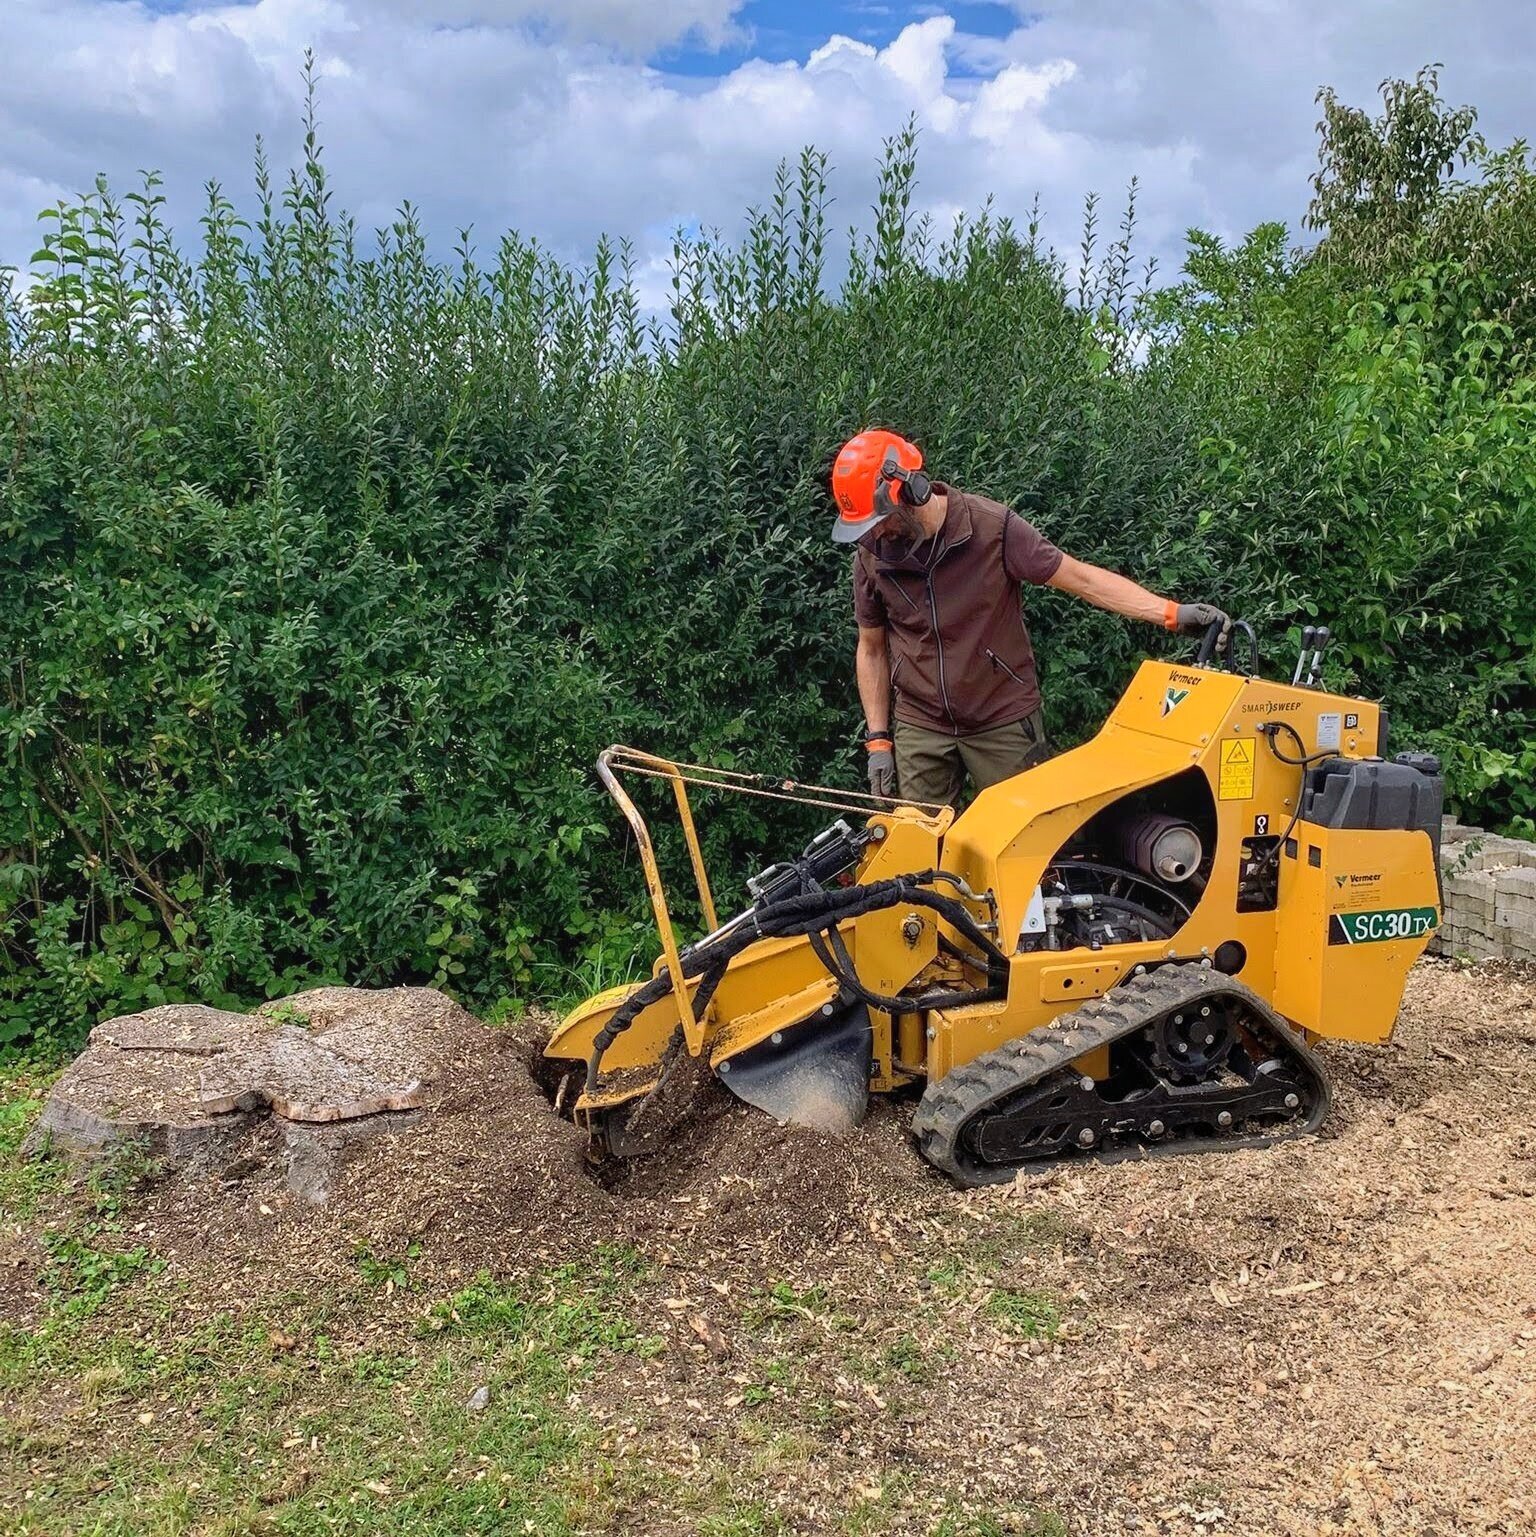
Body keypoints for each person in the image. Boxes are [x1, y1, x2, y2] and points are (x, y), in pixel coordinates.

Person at [828, 428, 1230, 807]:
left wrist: (1171, 613)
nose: (875, 536)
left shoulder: (992, 529)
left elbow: (1081, 578)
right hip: (921, 726)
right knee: (918, 854)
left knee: (1023, 849)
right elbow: (872, 649)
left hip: (1002, 719)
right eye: (866, 529)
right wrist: (878, 740)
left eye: (881, 523)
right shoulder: (871, 557)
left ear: (912, 491)